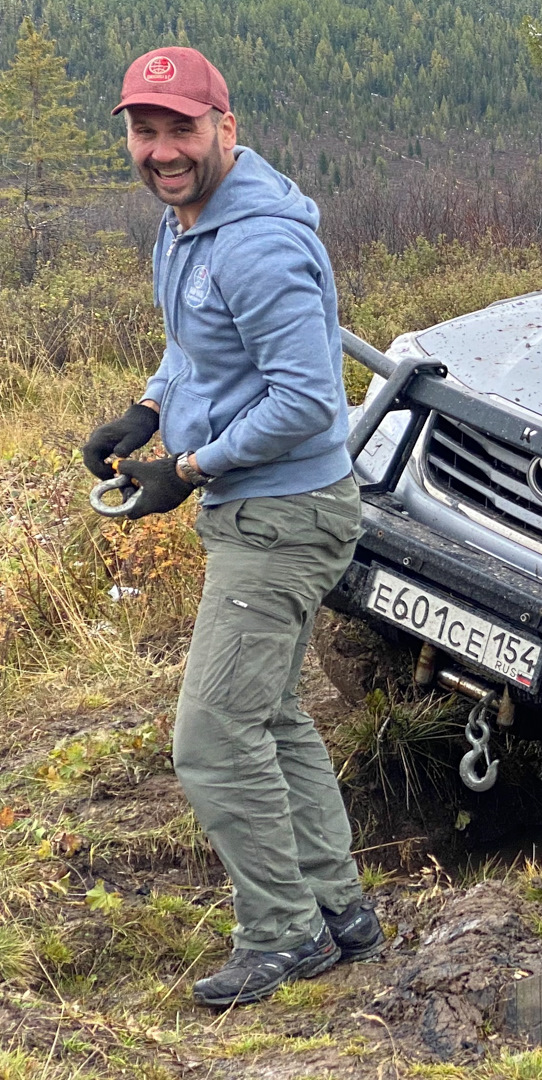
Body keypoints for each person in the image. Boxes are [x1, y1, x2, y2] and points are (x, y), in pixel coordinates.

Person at [80, 46, 382, 1008]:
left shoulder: (257, 245)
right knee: (269, 715)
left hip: (284, 514)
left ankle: (285, 937)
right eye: (146, 130)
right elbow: (197, 347)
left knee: (211, 739)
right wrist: (150, 408)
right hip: (256, 508)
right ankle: (339, 913)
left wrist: (191, 468)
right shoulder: (187, 226)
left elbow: (306, 400)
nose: (162, 149)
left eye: (182, 129)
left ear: (226, 129)